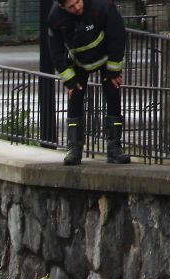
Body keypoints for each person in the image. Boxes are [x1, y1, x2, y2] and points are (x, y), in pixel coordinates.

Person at [44, 0, 131, 166]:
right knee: (74, 96)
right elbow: (55, 50)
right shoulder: (55, 17)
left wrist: (114, 70)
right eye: (71, 6)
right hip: (79, 61)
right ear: (62, 7)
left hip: (106, 56)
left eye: (78, 1)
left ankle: (115, 149)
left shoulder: (102, 5)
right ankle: (74, 150)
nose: (77, 7)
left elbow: (117, 35)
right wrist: (69, 80)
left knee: (113, 94)